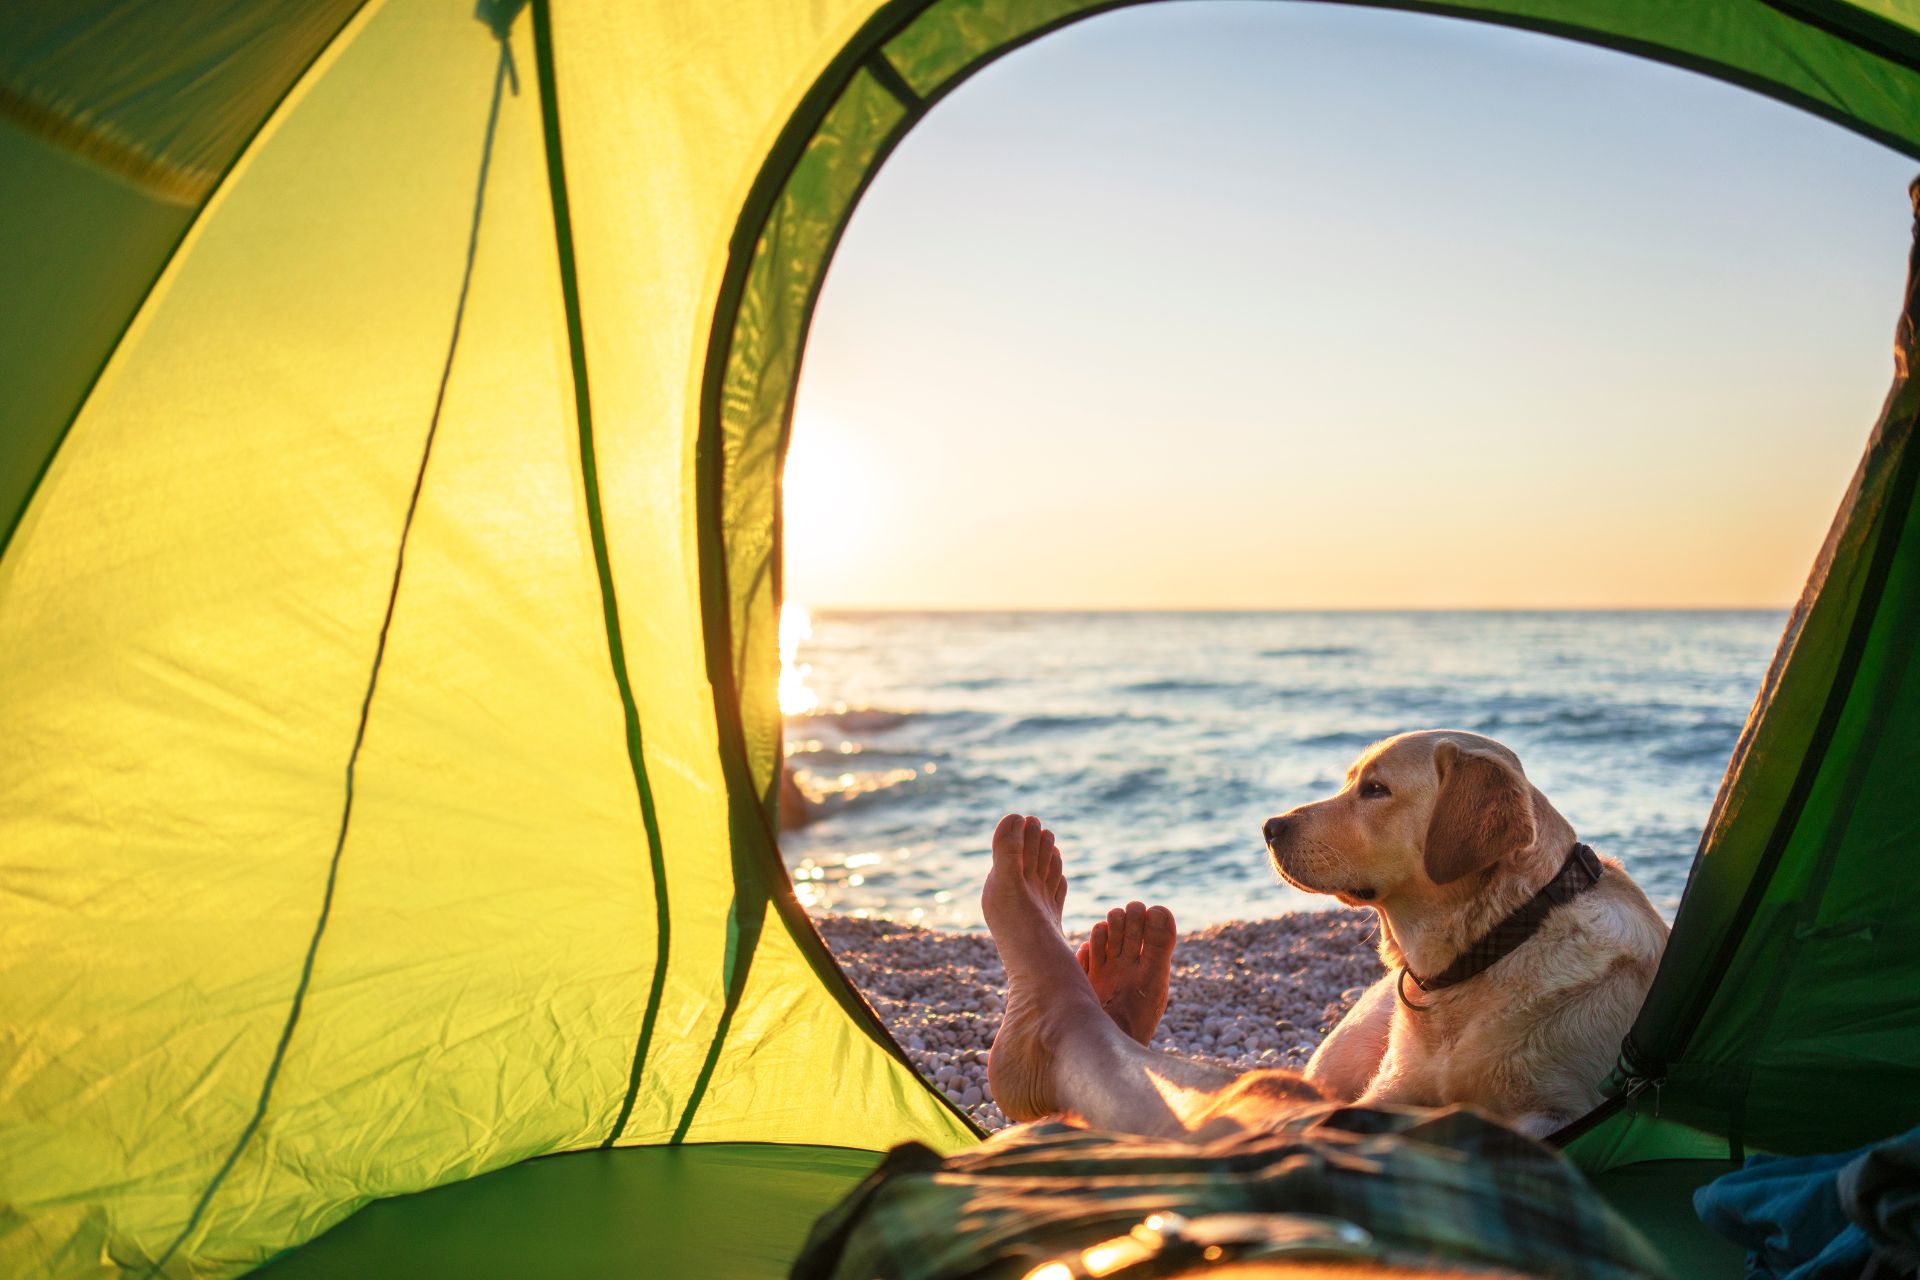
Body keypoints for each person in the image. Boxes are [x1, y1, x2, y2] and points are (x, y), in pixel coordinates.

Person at [792, 815, 1672, 1280]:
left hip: (1197, 1248)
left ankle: (1073, 1043)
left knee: (1294, 1123)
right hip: (1532, 1243)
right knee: (1315, 1119)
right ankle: (1085, 1055)